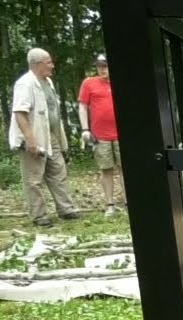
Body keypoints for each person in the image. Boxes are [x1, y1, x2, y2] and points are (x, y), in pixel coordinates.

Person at [10, 48, 78, 228]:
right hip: (33, 137)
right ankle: (39, 216)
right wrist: (30, 139)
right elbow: (19, 113)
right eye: (48, 62)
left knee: (58, 171)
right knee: (34, 178)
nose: (52, 66)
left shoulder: (47, 81)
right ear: (38, 64)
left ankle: (65, 209)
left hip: (51, 135)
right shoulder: (25, 84)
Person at [78, 53, 123, 218]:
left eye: (105, 65)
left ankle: (129, 202)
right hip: (100, 135)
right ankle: (110, 204)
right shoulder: (89, 83)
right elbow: (82, 106)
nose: (102, 69)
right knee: (106, 169)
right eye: (99, 66)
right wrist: (85, 129)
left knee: (125, 169)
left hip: (121, 134)